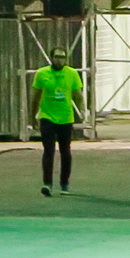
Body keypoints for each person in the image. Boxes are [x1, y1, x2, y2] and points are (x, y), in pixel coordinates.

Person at [30, 48, 84, 197]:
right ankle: (47, 183)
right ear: (51, 58)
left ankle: (64, 183)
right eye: (57, 57)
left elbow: (77, 95)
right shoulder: (42, 74)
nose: (60, 60)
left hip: (65, 117)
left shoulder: (72, 74)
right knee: (49, 150)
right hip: (47, 116)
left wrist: (83, 110)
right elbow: (36, 96)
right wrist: (32, 115)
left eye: (63, 57)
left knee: (65, 151)